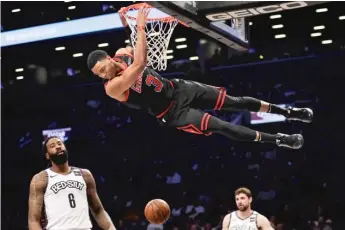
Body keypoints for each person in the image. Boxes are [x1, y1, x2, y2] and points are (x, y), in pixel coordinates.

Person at [87, 6, 313, 149]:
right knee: (223, 126)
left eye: (102, 69)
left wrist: (127, 24)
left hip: (179, 88)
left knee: (235, 102)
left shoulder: (122, 54)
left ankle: (289, 112)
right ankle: (280, 139)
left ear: (108, 58)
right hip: (173, 113)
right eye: (98, 74)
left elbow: (132, 44)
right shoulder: (112, 88)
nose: (103, 75)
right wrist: (143, 28)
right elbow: (140, 63)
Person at [28, 136, 116, 230]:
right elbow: (33, 220)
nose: (58, 147)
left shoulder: (85, 175)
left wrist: (111, 228)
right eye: (52, 146)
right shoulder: (40, 178)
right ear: (47, 155)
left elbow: (98, 210)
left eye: (60, 144)